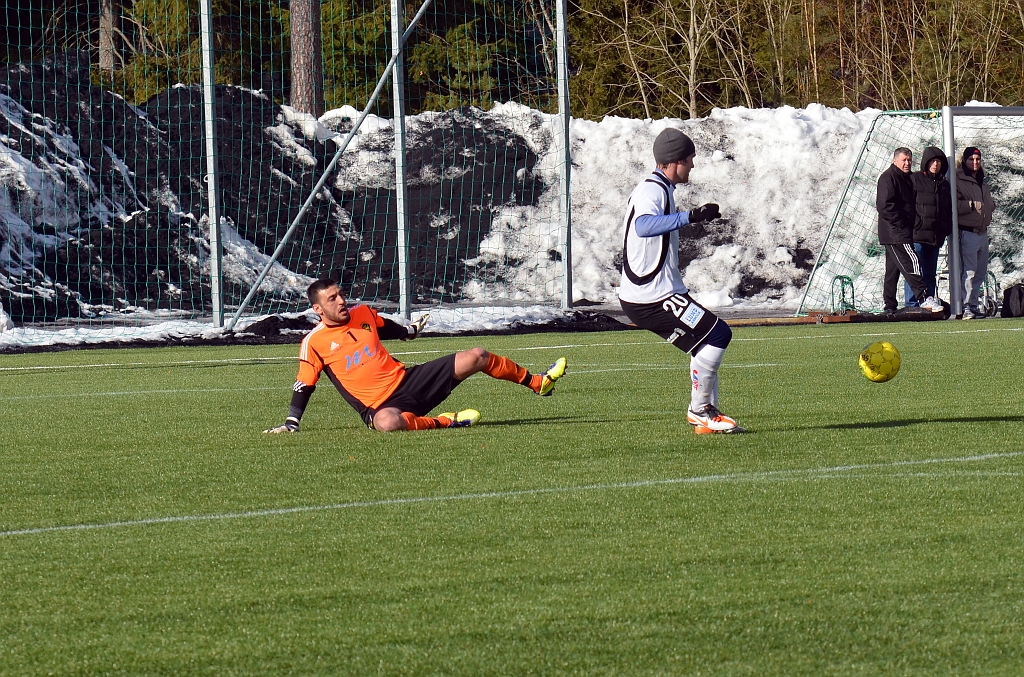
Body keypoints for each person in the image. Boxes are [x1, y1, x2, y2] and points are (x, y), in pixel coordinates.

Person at [264, 278, 567, 433]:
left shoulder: (362, 313)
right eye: (333, 299)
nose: (342, 300)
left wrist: (408, 331)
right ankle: (447, 422)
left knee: (477, 355)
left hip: (409, 380)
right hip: (380, 406)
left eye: (341, 294)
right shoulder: (313, 341)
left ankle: (538, 382)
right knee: (387, 424)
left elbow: (384, 327)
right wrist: (292, 423)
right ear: (318, 309)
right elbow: (304, 383)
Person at [617, 127, 742, 434]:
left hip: (655, 293)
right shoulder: (652, 190)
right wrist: (692, 216)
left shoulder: (659, 188)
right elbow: (644, 226)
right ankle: (699, 411)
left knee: (704, 342)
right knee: (717, 335)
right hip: (651, 297)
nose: (693, 166)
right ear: (674, 162)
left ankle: (707, 418)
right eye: (690, 159)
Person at [876, 147, 943, 315]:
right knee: (913, 262)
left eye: (909, 160)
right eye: (904, 160)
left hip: (896, 232)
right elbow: (884, 206)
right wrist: (902, 223)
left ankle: (889, 305)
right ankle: (924, 298)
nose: (907, 163)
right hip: (896, 233)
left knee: (893, 270)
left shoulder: (906, 178)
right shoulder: (888, 178)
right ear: (895, 160)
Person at [905, 146, 952, 307]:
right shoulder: (915, 179)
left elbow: (947, 210)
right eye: (932, 161)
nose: (935, 164)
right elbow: (908, 205)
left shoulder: (944, 185)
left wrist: (945, 228)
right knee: (915, 273)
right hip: (917, 236)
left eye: (938, 161)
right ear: (926, 162)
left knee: (930, 273)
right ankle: (912, 305)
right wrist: (915, 224)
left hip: (935, 237)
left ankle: (929, 303)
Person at [955, 147, 994, 319]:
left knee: (980, 271)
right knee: (968, 271)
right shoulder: (957, 178)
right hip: (967, 232)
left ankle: (973, 304)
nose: (975, 162)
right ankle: (965, 305)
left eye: (977, 159)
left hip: (982, 231)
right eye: (971, 159)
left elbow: (988, 202)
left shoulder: (982, 180)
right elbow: (953, 205)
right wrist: (971, 205)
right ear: (965, 161)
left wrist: (990, 206)